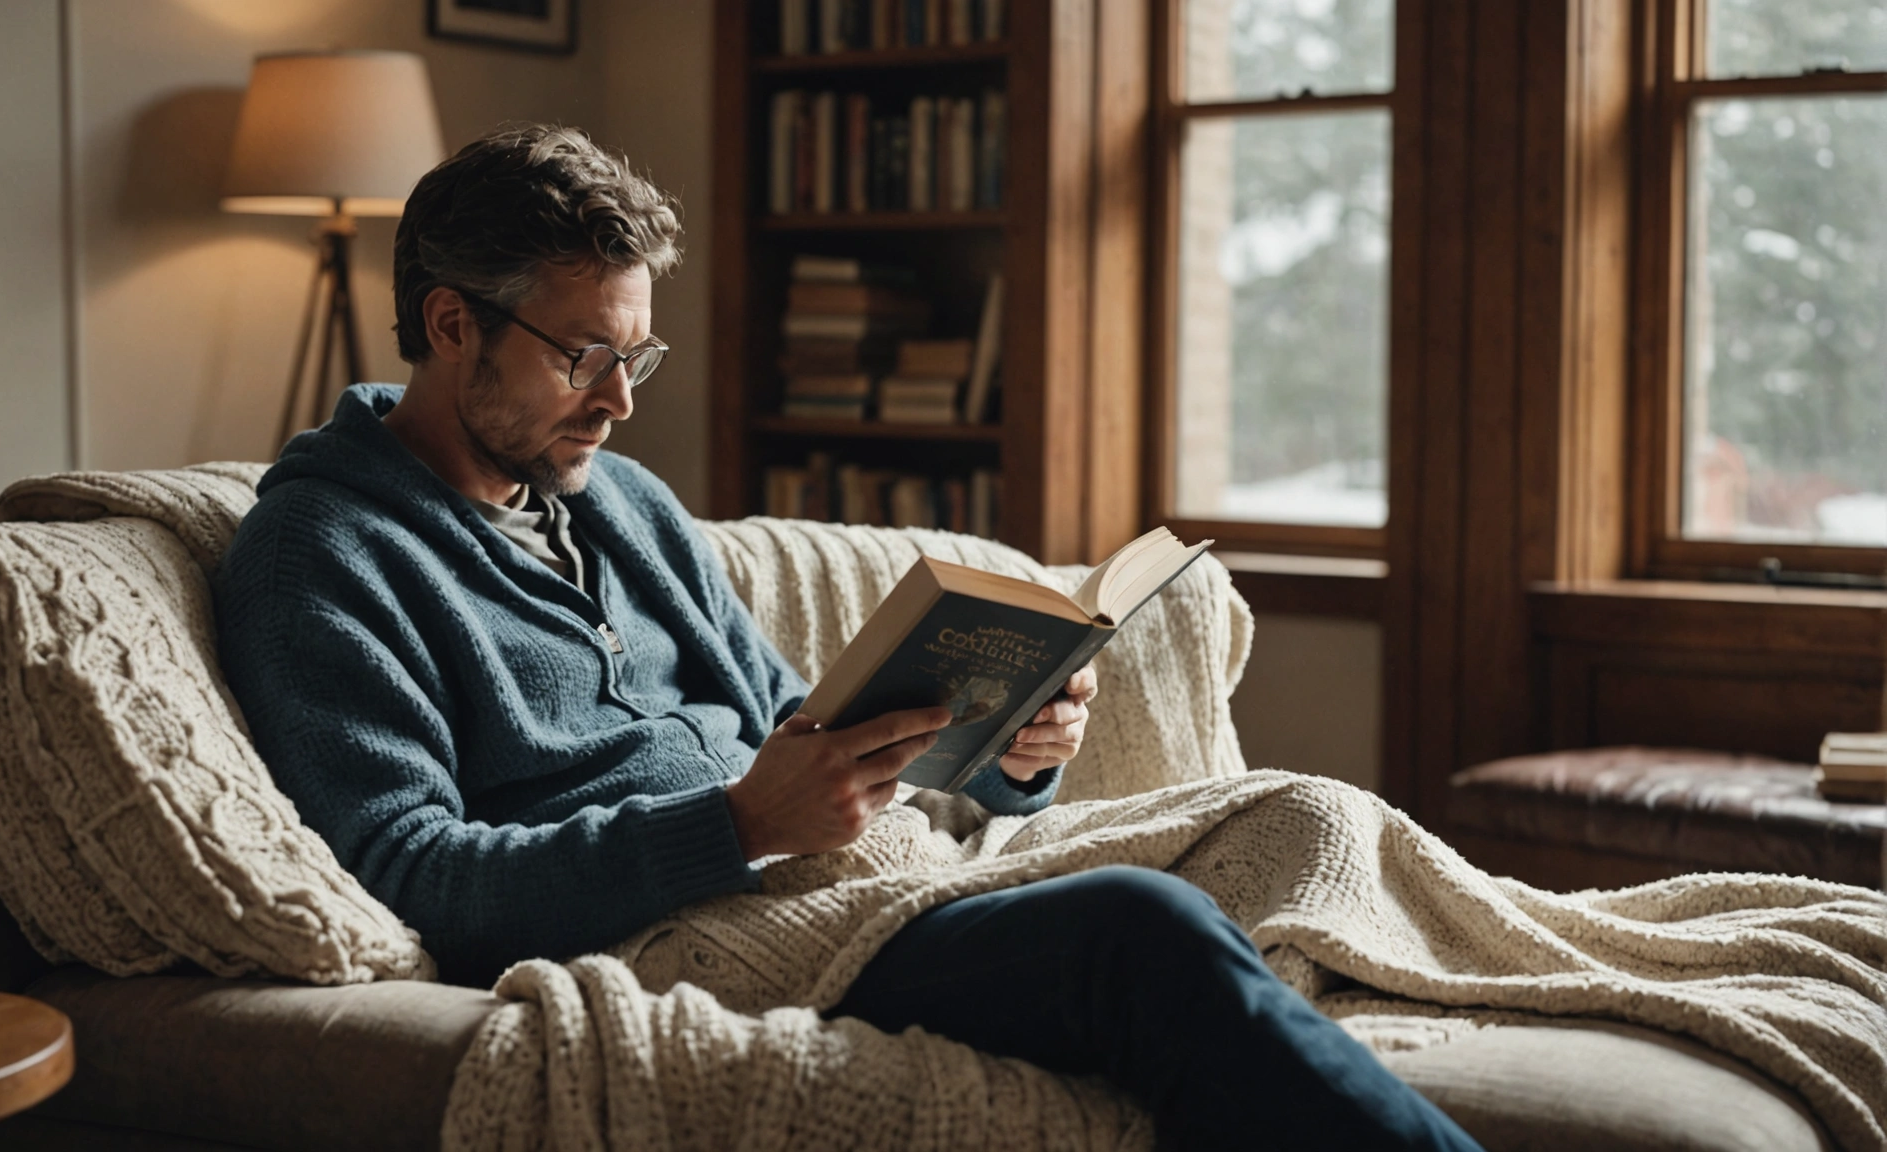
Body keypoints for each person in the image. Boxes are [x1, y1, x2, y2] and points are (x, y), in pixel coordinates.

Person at [215, 124, 1483, 1152]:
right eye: (585, 355)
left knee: (1302, 820)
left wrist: (1003, 750)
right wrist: (736, 826)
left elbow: (802, 727)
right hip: (691, 932)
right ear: (451, 325)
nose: (617, 403)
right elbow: (412, 872)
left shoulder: (622, 503)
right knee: (1137, 934)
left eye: (637, 357)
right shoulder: (323, 552)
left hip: (851, 867)